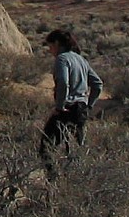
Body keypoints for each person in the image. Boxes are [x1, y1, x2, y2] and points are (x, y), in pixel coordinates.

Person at [39, 28, 102, 168]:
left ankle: (52, 180)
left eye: (50, 46)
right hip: (81, 111)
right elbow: (97, 85)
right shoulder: (81, 59)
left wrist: (60, 106)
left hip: (67, 109)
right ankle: (75, 181)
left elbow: (63, 82)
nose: (50, 51)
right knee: (76, 149)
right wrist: (89, 106)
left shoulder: (62, 59)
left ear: (56, 43)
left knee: (46, 146)